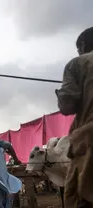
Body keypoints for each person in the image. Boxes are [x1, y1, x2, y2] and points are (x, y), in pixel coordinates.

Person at [55, 27, 93, 207]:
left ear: (83, 45)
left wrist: (61, 94)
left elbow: (67, 106)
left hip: (89, 142)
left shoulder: (78, 64)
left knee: (81, 197)